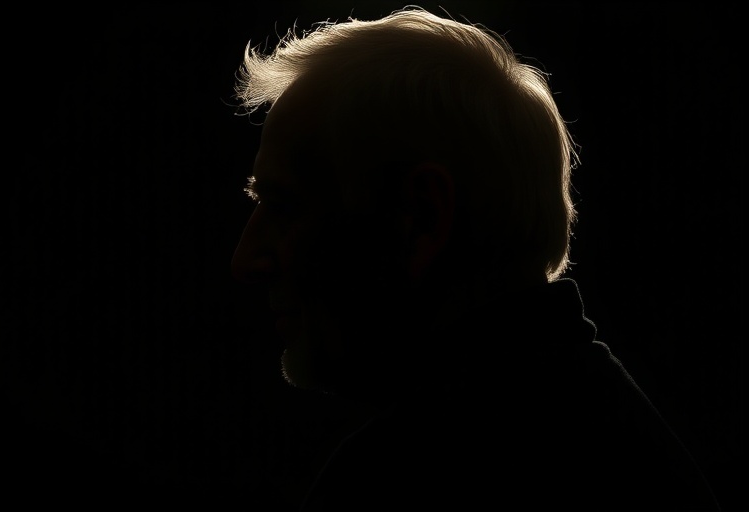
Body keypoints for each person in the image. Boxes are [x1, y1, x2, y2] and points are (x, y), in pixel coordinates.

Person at [229, 7, 720, 511]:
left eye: (285, 207)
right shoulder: (619, 439)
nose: (245, 261)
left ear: (420, 217)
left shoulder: (403, 483)